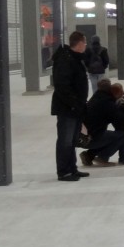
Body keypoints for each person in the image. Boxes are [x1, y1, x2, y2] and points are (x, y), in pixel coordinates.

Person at [50, 31, 91, 182]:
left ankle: (72, 168)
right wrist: (74, 104)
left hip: (75, 107)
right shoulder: (65, 60)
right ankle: (64, 171)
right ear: (79, 43)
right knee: (65, 140)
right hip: (67, 108)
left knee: (72, 140)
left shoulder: (74, 58)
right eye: (85, 43)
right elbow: (62, 86)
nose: (85, 46)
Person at [81, 80, 124, 166]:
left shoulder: (96, 98)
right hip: (91, 138)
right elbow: (123, 119)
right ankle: (103, 157)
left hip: (82, 137)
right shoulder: (107, 103)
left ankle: (89, 155)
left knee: (110, 136)